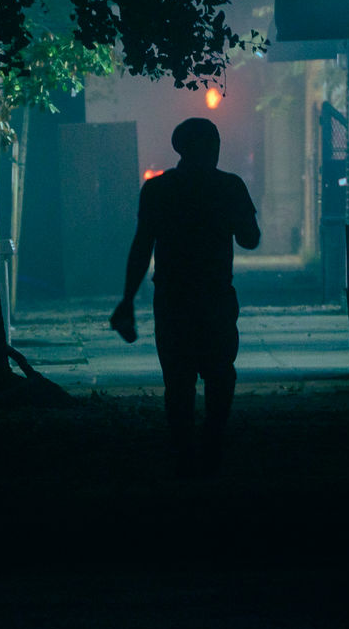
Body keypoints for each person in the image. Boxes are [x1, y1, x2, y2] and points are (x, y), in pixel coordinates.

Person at [110, 117, 260, 478]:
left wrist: (128, 298)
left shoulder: (159, 190)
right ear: (212, 147)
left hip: (173, 298)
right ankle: (212, 443)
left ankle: (182, 451)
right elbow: (250, 239)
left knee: (178, 380)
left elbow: (142, 245)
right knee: (220, 373)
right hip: (216, 296)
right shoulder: (230, 186)